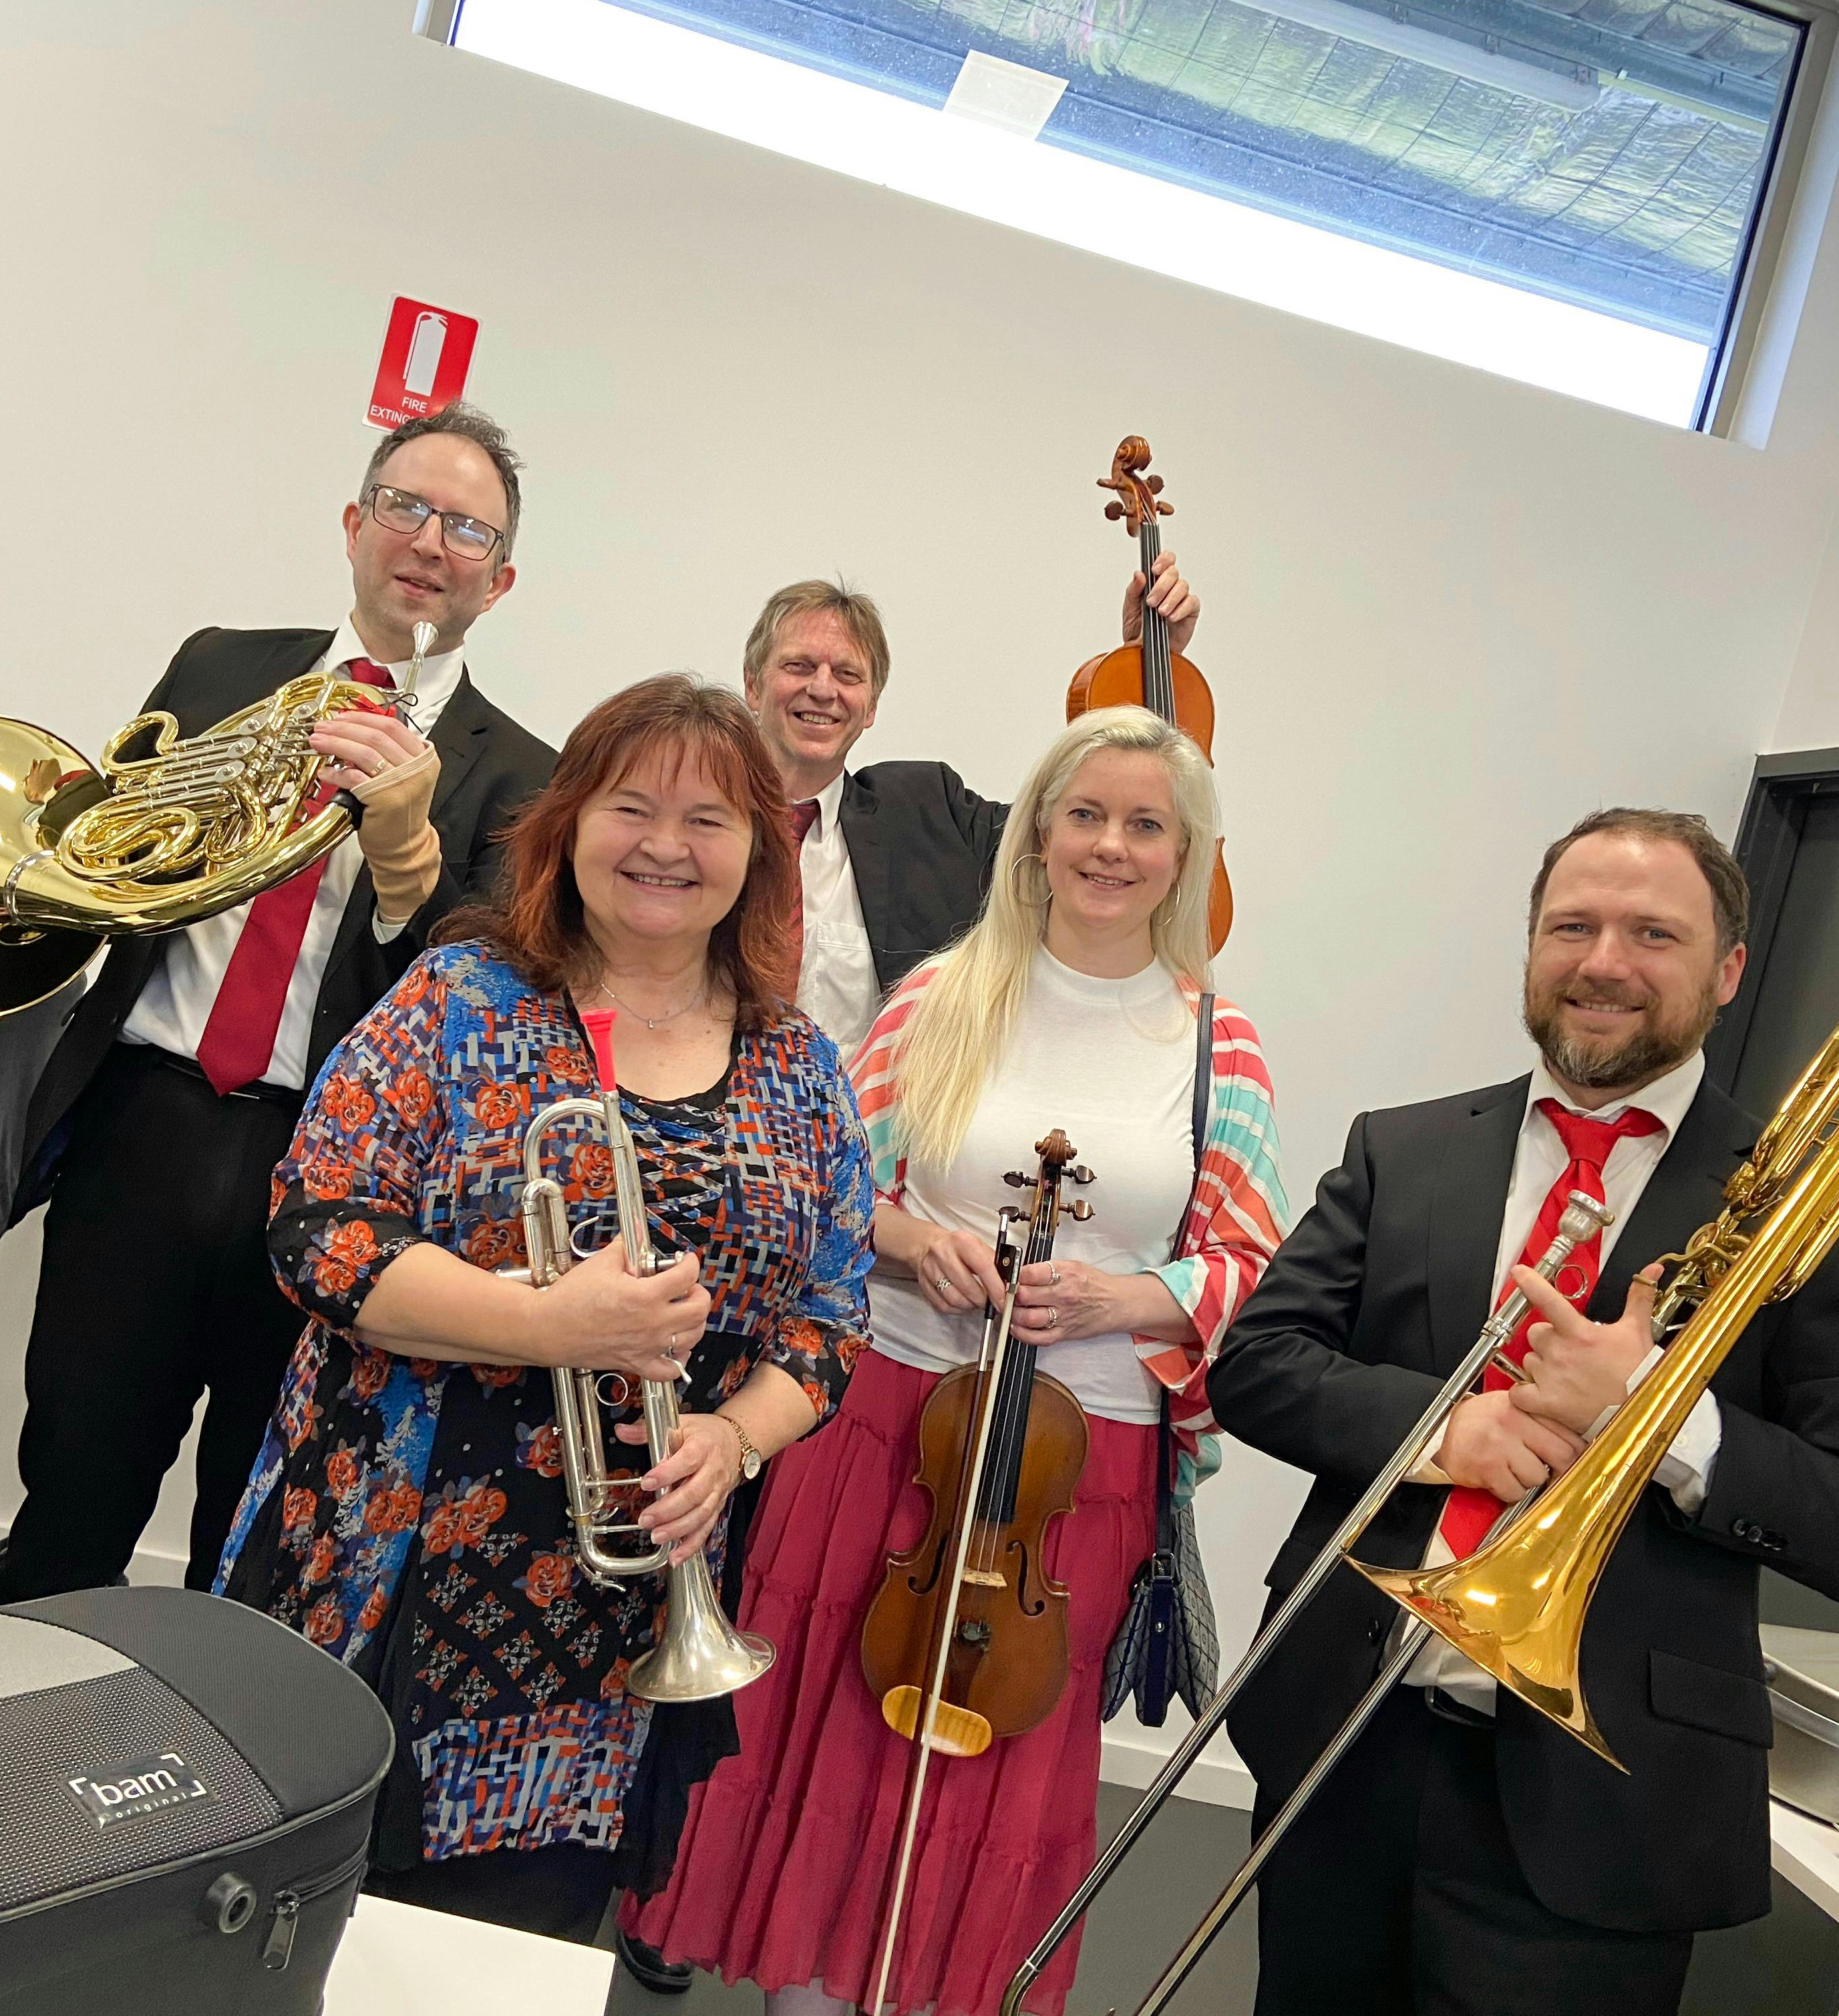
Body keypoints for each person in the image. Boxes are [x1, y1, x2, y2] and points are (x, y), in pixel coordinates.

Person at [0, 401, 558, 1613]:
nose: (429, 541)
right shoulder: (222, 664)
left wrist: (407, 855)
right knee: (71, 1474)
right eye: (405, 507)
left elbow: (469, 1010)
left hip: (332, 1177)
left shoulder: (524, 769)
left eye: (466, 527)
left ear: (502, 576)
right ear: (354, 523)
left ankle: (188, 1783)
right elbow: (98, 865)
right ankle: (7, 1759)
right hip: (144, 1128)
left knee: (255, 1521)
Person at [1210, 808, 1839, 2016]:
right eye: (1573, 925)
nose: (1603, 959)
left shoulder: (1815, 1204)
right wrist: (1451, 1433)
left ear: (1726, 972)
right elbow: (1257, 1362)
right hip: (1345, 1730)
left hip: (1602, 1798)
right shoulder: (1409, 1148)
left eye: (1653, 931)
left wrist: (1658, 1416)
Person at [626, 705, 1287, 2016]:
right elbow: (825, 1202)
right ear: (1039, 832)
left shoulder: (1222, 1042)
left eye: (1145, 825)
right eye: (1085, 814)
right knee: (828, 1739)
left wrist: (1123, 1293)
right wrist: (914, 1243)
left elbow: (1252, 1266)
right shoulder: (942, 993)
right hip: (882, 1424)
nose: (1110, 845)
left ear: (1185, 854)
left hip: (1068, 1478)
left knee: (981, 1767)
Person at [216, 673, 874, 1943]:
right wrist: (547, 1326)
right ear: (569, 820)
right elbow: (319, 1228)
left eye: (710, 819)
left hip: (617, 1612)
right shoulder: (459, 999)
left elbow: (828, 1321)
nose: (667, 847)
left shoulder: (799, 1064)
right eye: (634, 806)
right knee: (298, 1930)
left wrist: (734, 1439)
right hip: (381, 1562)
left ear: (760, 853)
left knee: (514, 1949)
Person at [740, 559, 1200, 1059]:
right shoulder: (691, 824)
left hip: (874, 1128)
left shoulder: (926, 809)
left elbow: (1084, 841)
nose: (824, 689)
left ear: (871, 706)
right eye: (799, 666)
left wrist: (1146, 669)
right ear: (753, 686)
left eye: (848, 674)